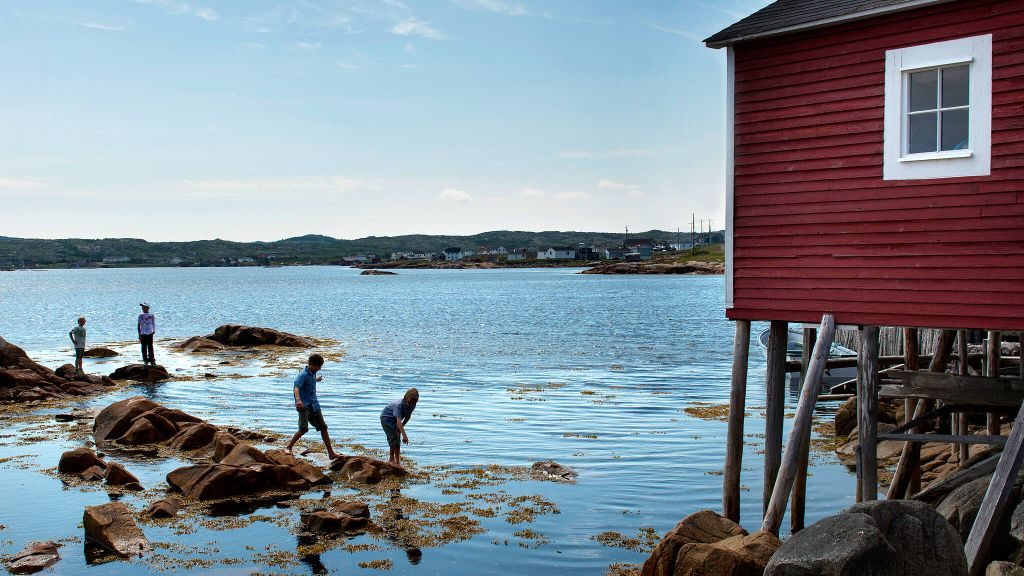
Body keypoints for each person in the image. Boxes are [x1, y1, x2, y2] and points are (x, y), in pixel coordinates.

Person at [285, 353, 342, 460]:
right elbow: (296, 387)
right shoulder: (302, 375)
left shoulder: (312, 373)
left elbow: (309, 382)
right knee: (303, 429)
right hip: (304, 406)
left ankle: (331, 453)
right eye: (318, 366)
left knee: (323, 427)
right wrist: (298, 400)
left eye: (320, 367)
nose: (319, 369)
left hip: (314, 405)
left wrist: (316, 380)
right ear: (311, 364)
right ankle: (288, 447)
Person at [380, 388, 418, 470]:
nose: (410, 405)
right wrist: (404, 435)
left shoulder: (413, 405)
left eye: (413, 403)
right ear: (405, 398)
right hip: (386, 419)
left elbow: (408, 416)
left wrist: (402, 427)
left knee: (397, 439)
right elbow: (398, 422)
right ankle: (391, 460)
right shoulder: (399, 405)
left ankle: (397, 462)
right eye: (409, 402)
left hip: (396, 420)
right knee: (393, 438)